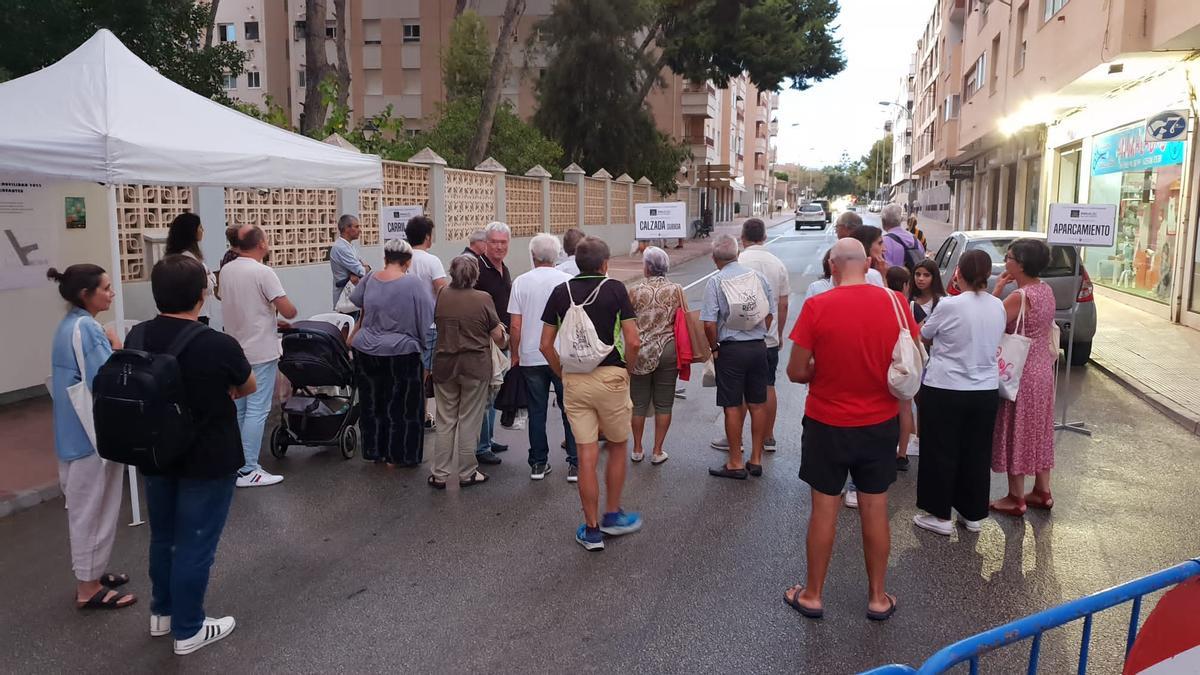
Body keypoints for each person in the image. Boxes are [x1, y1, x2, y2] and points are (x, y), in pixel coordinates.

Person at [783, 237, 918, 623]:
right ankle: (877, 597)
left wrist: (818, 372)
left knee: (824, 509)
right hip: (879, 423)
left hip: (827, 422)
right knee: (875, 508)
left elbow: (795, 370)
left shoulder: (817, 305)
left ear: (833, 265)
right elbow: (911, 349)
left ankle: (812, 595)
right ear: (867, 263)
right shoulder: (893, 303)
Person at [136, 255, 255, 655]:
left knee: (164, 536)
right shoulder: (216, 343)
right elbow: (249, 384)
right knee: (196, 542)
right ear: (202, 295)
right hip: (207, 457)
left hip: (154, 451)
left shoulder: (138, 336)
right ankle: (188, 629)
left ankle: (163, 613)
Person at [540, 236, 643, 551]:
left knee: (585, 454)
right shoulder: (615, 289)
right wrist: (627, 370)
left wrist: (562, 373)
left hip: (575, 380)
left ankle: (592, 529)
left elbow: (545, 345)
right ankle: (612, 514)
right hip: (611, 376)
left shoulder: (560, 292)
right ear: (605, 264)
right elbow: (633, 340)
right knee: (616, 445)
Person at [47, 264, 135, 611]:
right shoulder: (86, 328)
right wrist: (116, 345)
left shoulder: (70, 325)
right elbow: (107, 379)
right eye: (107, 288)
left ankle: (93, 574)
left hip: (75, 432)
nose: (112, 294)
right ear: (86, 294)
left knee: (91, 507)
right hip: (89, 436)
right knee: (91, 510)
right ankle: (87, 586)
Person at [912, 250, 1006, 536]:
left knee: (940, 449)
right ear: (987, 275)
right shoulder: (997, 306)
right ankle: (973, 513)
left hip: (946, 386)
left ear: (958, 273)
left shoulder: (949, 305)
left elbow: (925, 335)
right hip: (986, 388)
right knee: (976, 451)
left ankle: (939, 515)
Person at [218, 224, 298, 488]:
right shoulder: (263, 272)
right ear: (261, 244)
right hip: (260, 351)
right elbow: (289, 310)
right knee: (257, 410)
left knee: (240, 409)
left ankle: (238, 464)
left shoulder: (227, 270)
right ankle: (249, 468)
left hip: (234, 348)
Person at [349, 238, 435, 466]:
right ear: (408, 261)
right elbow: (426, 317)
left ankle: (376, 450)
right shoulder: (413, 284)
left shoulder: (370, 278)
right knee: (403, 406)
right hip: (401, 350)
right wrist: (421, 342)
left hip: (366, 349)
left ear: (385, 258)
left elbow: (358, 303)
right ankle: (400, 455)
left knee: (373, 402)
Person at [990, 239, 1057, 516]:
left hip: (1021, 372)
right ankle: (1042, 490)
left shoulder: (1020, 296)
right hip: (1042, 370)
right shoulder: (1046, 290)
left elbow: (991, 321)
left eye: (1009, 257)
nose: (1006, 261)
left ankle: (1015, 497)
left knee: (1016, 430)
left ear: (1020, 264)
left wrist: (996, 291)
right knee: (1039, 429)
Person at [701, 234, 777, 480]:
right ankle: (755, 459)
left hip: (731, 350)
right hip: (757, 347)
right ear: (736, 254)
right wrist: (759, 333)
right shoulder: (759, 278)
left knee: (732, 406)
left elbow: (710, 324)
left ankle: (734, 461)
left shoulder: (716, 282)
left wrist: (714, 348)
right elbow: (769, 314)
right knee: (757, 403)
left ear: (715, 259)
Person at [430, 255, 507, 489]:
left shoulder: (442, 294)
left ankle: (439, 474)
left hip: (444, 364)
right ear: (475, 275)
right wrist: (503, 333)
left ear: (452, 273)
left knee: (445, 420)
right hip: (475, 366)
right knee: (469, 420)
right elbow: (498, 337)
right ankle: (467, 472)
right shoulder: (483, 298)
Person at [508, 234, 577, 481]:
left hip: (530, 355)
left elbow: (515, 325)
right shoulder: (569, 281)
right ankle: (575, 463)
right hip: (562, 356)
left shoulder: (521, 282)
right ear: (557, 255)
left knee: (537, 411)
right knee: (570, 409)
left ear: (533, 255)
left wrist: (514, 354)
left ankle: (538, 462)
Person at [627, 246, 684, 465]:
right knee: (664, 402)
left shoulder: (634, 290)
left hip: (640, 350)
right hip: (668, 349)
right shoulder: (676, 289)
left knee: (638, 402)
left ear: (648, 267)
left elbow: (627, 321)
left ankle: (637, 448)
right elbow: (683, 319)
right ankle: (658, 450)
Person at [472, 221, 513, 465]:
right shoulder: (479, 268)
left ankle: (489, 437)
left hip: (502, 340)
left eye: (503, 242)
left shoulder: (503, 268)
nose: (499, 247)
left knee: (495, 390)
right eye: (495, 242)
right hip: (485, 341)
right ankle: (481, 446)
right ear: (485, 243)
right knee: (486, 396)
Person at [405, 215, 448, 430]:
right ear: (427, 237)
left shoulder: (400, 259)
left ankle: (416, 412)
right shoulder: (432, 261)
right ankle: (418, 414)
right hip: (429, 325)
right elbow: (441, 288)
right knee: (423, 372)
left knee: (408, 369)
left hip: (403, 324)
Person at [885, 266, 918, 471]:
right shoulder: (902, 303)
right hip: (902, 363)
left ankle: (885, 449)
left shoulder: (881, 298)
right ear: (906, 285)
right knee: (905, 408)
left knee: (885, 409)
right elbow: (914, 336)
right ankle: (902, 454)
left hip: (885, 361)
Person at [165, 213, 216, 324]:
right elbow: (205, 285)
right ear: (191, 231)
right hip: (195, 313)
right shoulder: (187, 257)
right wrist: (209, 277)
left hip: (199, 311)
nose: (202, 230)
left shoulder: (190, 255)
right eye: (200, 227)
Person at [329, 214, 370, 311]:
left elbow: (362, 266)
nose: (359, 230)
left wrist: (365, 267)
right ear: (347, 228)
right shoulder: (341, 248)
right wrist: (364, 268)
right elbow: (361, 271)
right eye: (356, 227)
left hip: (353, 298)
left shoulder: (349, 246)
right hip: (344, 301)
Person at [881, 203, 925, 269]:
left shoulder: (883, 242)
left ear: (883, 221)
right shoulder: (915, 239)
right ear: (901, 220)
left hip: (894, 278)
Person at [909, 259, 946, 324]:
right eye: (918, 274)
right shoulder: (909, 296)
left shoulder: (941, 301)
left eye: (926, 275)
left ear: (934, 278)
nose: (921, 278)